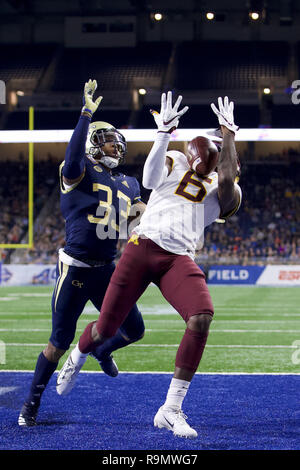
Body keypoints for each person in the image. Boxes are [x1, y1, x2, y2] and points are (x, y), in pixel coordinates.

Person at [57, 92, 242, 438]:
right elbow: (150, 180)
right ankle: (78, 354)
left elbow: (230, 182)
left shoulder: (224, 187)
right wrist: (164, 133)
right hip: (143, 246)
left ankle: (170, 409)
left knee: (201, 316)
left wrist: (229, 134)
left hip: (178, 257)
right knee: (106, 328)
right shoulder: (175, 159)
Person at [18, 79, 146, 427]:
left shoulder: (129, 182)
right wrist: (86, 114)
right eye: (107, 139)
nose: (115, 146)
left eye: (118, 142)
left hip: (107, 269)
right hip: (75, 268)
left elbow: (140, 218)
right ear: (92, 143)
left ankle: (101, 351)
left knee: (134, 330)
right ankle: (31, 403)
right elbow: (73, 157)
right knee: (59, 342)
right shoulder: (78, 169)